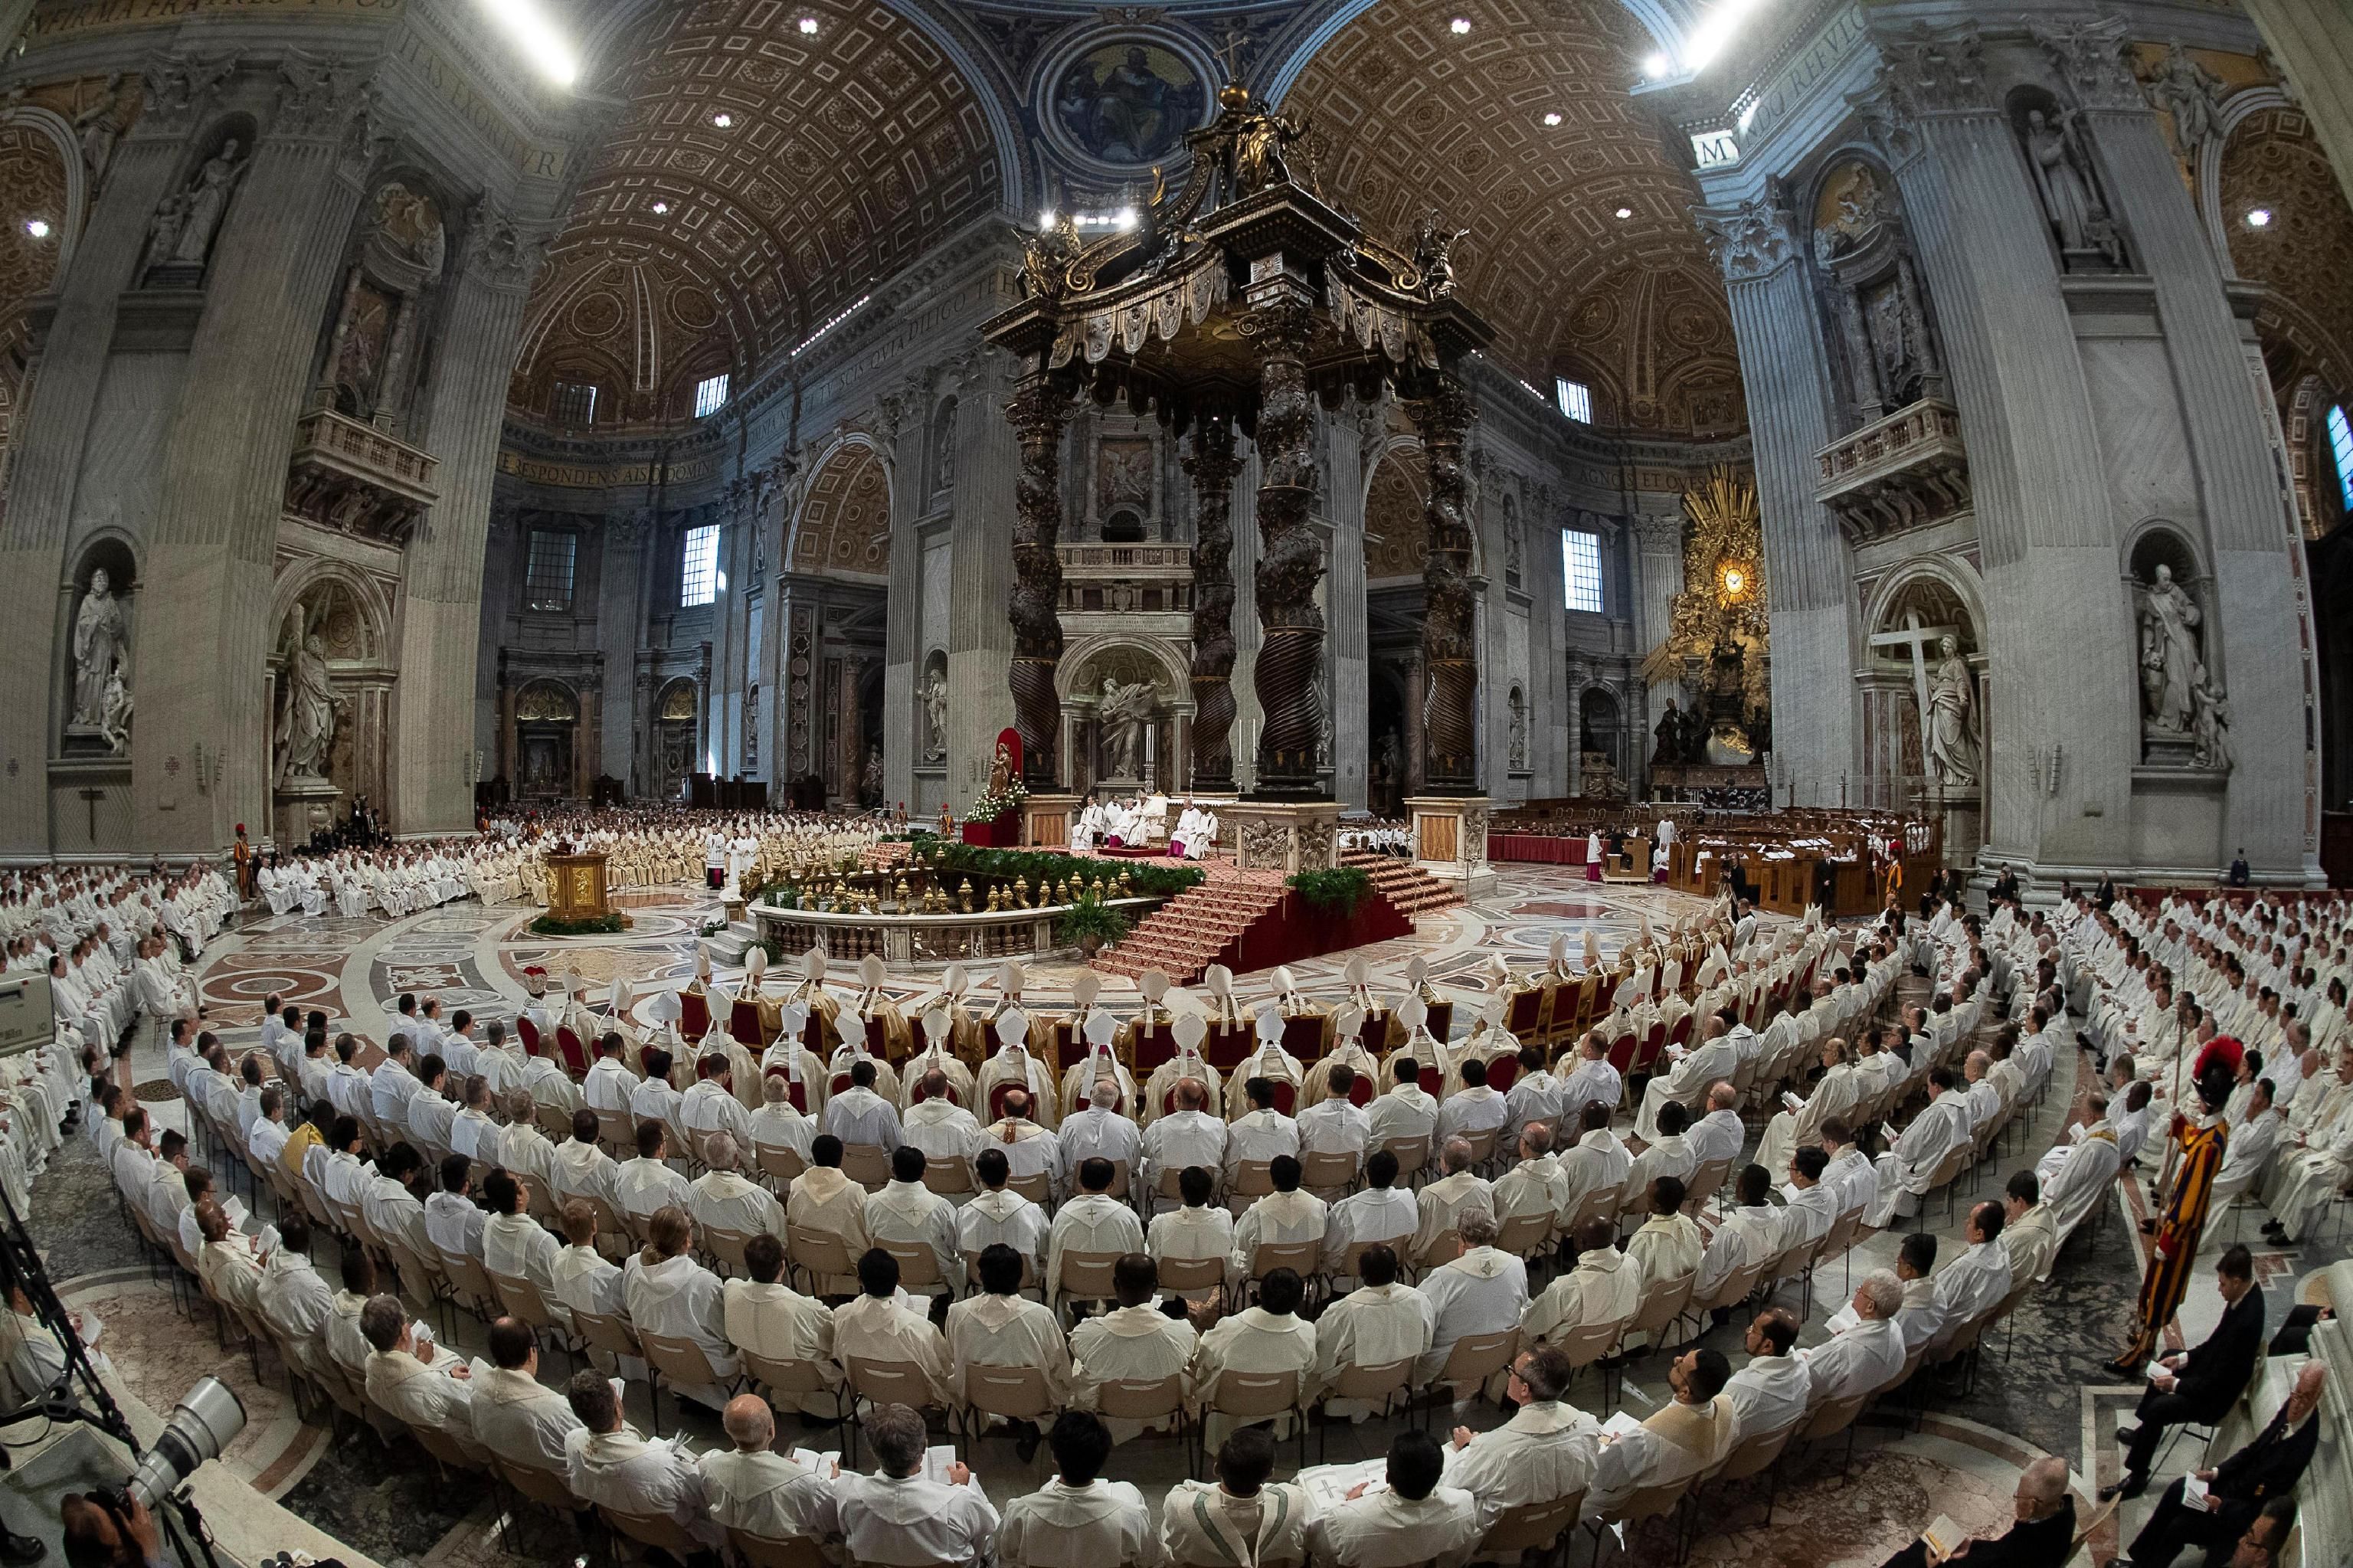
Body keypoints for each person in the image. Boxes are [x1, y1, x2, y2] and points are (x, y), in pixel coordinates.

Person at [2118, 1363, 2323, 1568]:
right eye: (2296, 1393)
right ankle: (2140, 1561)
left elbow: (2259, 1509)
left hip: (2239, 1517)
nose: (2296, 1403)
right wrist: (2216, 1473)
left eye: (2304, 1398)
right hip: (2229, 1487)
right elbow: (2253, 1450)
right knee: (2177, 1490)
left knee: (2179, 1527)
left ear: (2318, 1395)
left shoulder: (2301, 1448)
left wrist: (2222, 1506)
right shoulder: (2291, 1404)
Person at [2108, 1245, 2265, 1498]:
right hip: (2211, 1374)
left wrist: (2176, 1386)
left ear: (2237, 1282)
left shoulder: (2247, 1321)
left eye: (2223, 1284)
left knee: (2161, 1408)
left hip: (2215, 1398)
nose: (2219, 1288)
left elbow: (2218, 1382)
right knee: (2166, 1359)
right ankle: (2144, 1433)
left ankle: (2137, 1477)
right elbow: (2215, 1343)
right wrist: (2182, 1360)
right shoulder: (2242, 1296)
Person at [2115, 1066, 2234, 1372]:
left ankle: (2139, 1354)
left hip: (2179, 1231)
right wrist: (2181, 1125)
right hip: (2177, 1225)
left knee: (2160, 1289)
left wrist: (2168, 1239)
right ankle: (2145, 1338)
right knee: (2156, 1286)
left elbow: (2191, 1200)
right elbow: (2195, 1139)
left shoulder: (2210, 1146)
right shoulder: (2217, 1130)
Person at [1442, 1343, 1597, 1530]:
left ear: (1524, 1389)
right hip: (1556, 1521)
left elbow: (1452, 1485)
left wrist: (1468, 1448)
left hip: (1502, 1532)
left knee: (1447, 1453)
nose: (1509, 1377)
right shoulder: (1588, 1426)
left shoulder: (1495, 1448)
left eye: (1511, 1372)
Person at [562, 1367, 718, 1547]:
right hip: (679, 1535)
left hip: (627, 1525)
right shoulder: (659, 1464)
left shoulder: (573, 1441)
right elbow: (701, 1497)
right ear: (618, 1408)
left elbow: (580, 1489)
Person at [832, 1402, 1000, 1566]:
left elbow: (847, 1533)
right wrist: (966, 1486)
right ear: (924, 1447)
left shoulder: (847, 1492)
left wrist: (835, 1483)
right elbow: (991, 1527)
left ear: (873, 1451)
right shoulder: (961, 1503)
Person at [1584, 1347, 1737, 1517]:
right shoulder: (1727, 1408)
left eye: (1680, 1367)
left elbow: (1602, 1478)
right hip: (1670, 1491)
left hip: (1627, 1502)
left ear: (1684, 1392)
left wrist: (1618, 1446)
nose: (1676, 1359)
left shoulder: (1646, 1438)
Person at [995, 1412, 1157, 1568]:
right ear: (1102, 1458)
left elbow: (1005, 1553)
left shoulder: (1020, 1513)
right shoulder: (1130, 1517)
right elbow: (1150, 1559)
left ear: (1054, 1457)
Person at [1308, 1429, 1482, 1568]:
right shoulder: (1464, 1505)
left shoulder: (1344, 1521)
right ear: (1439, 1476)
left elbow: (1318, 1548)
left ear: (1387, 1477)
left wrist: (1349, 1504)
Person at [1069, 1255, 1197, 1445]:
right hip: (1163, 1404)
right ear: (1156, 1286)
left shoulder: (1087, 1333)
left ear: (1115, 1285)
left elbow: (1076, 1352)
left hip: (1109, 1406)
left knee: (1079, 1368)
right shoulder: (1183, 1332)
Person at [1192, 1266, 1317, 1448]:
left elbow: (1203, 1359)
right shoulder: (1307, 1331)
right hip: (1281, 1401)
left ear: (1259, 1294)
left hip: (1229, 1402)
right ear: (1299, 1300)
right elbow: (1309, 1368)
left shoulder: (1230, 1327)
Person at [1881, 1454, 2074, 1568]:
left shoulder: (2023, 1547)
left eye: (2019, 1497)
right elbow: (1997, 1551)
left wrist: (1935, 1565)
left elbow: (1996, 1559)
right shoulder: (2065, 1514)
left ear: (2031, 1505)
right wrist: (1972, 1546)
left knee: (1914, 1556)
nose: (2016, 1500)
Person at [1159, 1428, 1314, 1568]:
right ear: (1270, 1473)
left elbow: (1185, 1489)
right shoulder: (1295, 1501)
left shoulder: (1180, 1505)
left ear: (1216, 1469)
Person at [1312, 1244, 1434, 1419]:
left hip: (1351, 1382)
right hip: (1399, 1375)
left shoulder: (1343, 1310)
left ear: (1361, 1272)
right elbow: (1426, 1345)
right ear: (1396, 1268)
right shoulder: (1420, 1299)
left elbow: (1322, 1358)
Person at [699, 1393, 837, 1543]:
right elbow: (835, 1519)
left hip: (747, 1553)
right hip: (801, 1556)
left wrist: (780, 1465)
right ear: (771, 1431)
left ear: (729, 1432)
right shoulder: (810, 1484)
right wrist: (835, 1484)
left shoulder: (708, 1468)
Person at [1415, 1208, 1527, 1390]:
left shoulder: (1445, 1276)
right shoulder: (1516, 1264)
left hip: (1451, 1361)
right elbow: (1521, 1303)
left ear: (1462, 1238)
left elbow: (1419, 1319)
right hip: (1499, 1353)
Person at [469, 1316, 584, 1475]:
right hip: (562, 1488)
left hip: (514, 1475)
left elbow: (479, 1435)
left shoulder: (478, 1389)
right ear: (531, 1352)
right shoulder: (553, 1406)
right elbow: (588, 1445)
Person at [1723, 1308, 1811, 1439]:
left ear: (1767, 1346)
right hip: (1775, 1446)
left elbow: (1718, 1432)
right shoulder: (1802, 1365)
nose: (1748, 1331)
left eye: (1754, 1329)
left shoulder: (1742, 1388)